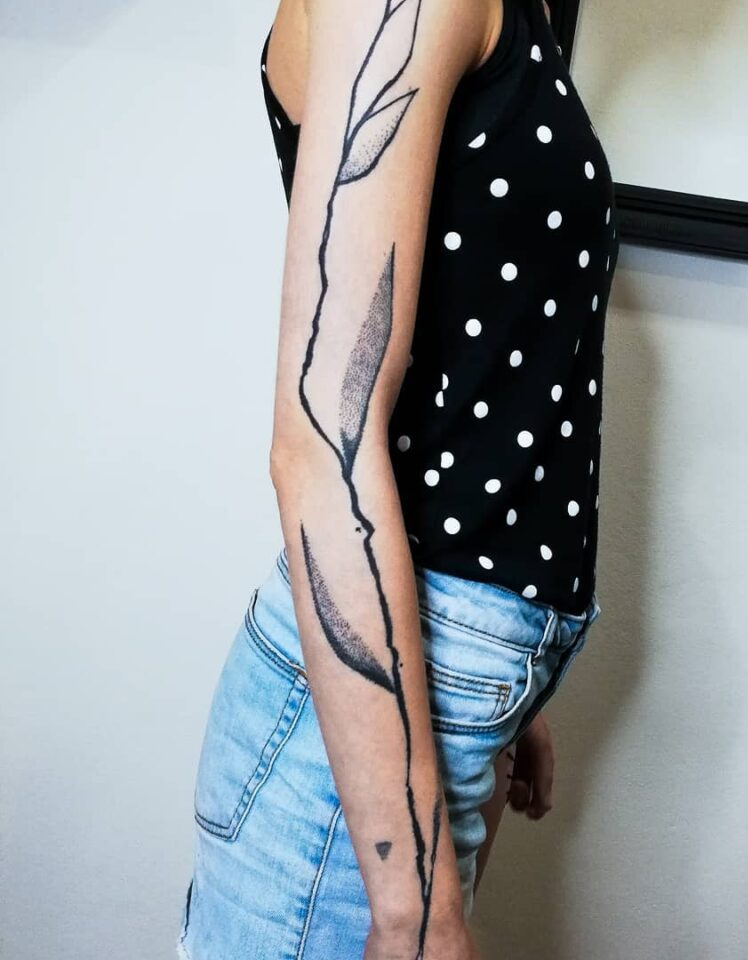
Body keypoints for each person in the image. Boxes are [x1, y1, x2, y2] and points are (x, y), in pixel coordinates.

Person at [176, 0, 619, 956]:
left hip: (431, 692)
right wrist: (415, 906)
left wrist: (503, 686)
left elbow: (487, 367)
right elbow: (321, 447)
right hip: (357, 764)